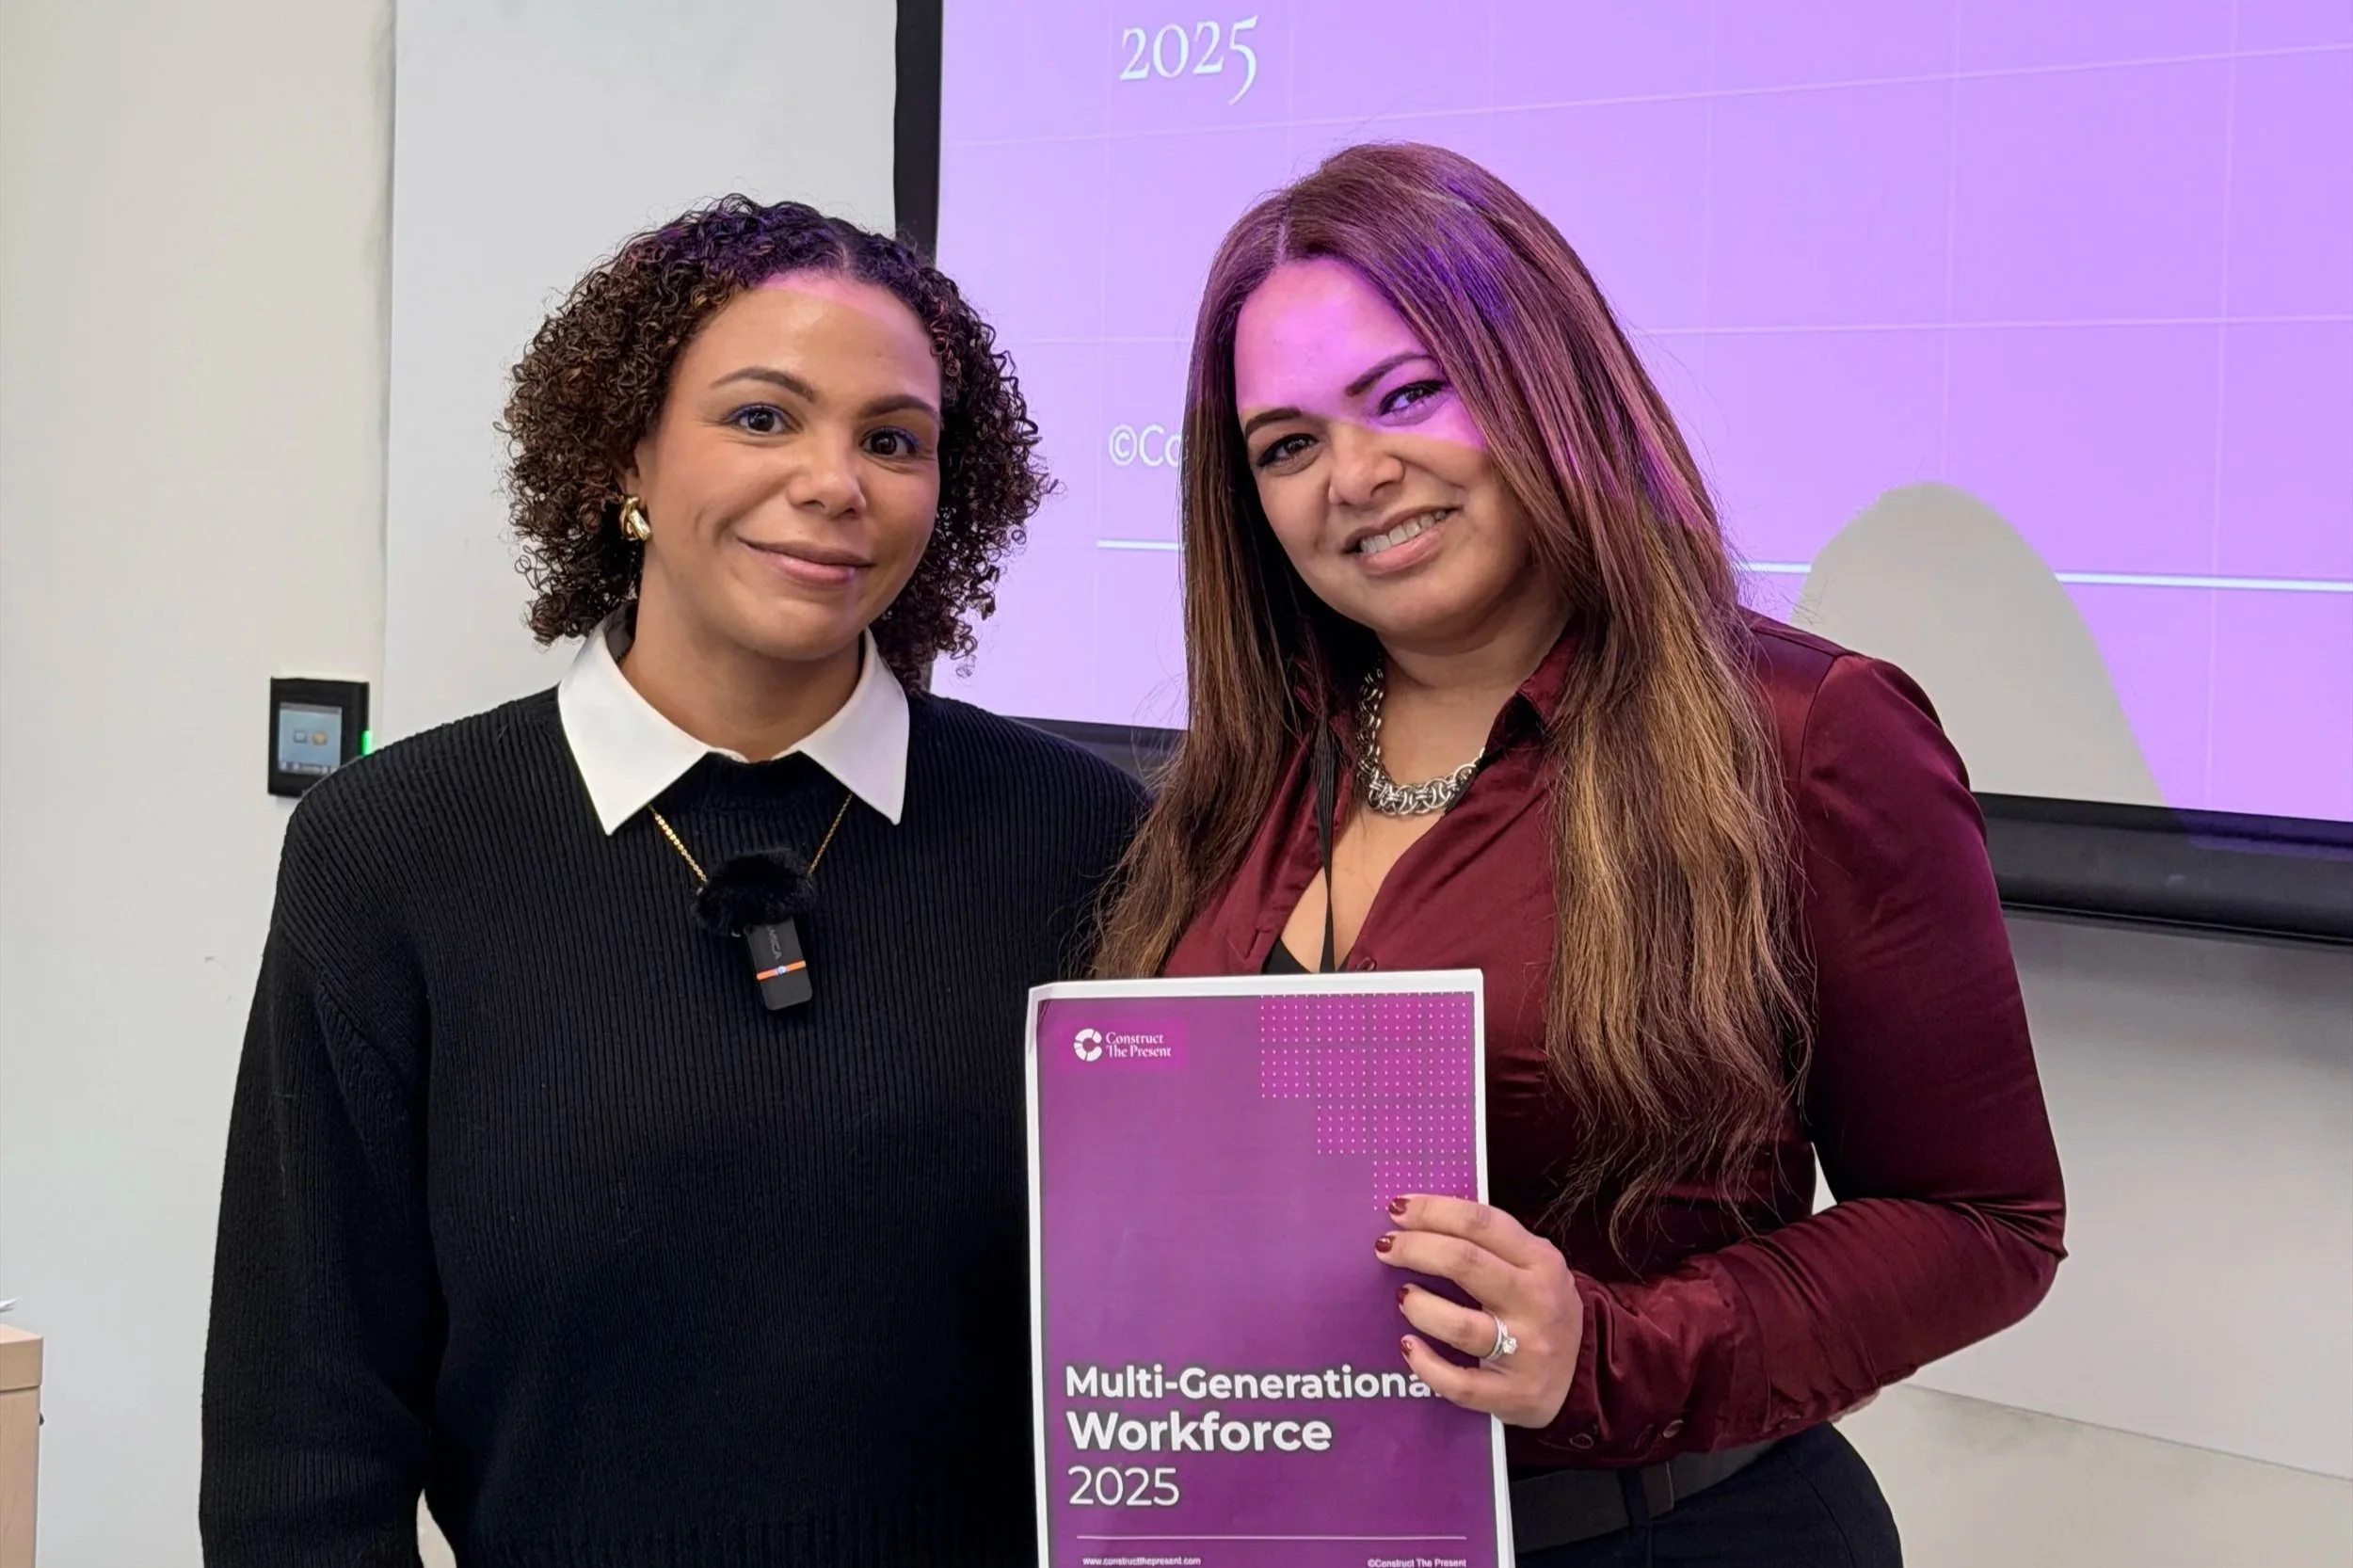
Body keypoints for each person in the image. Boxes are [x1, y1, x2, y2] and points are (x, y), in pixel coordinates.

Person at [1096, 143, 2067, 1565]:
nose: (1356, 476)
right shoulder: (1248, 772)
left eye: (1408, 394)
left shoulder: (1804, 733)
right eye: (1287, 446)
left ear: (1538, 377)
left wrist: (1608, 1352)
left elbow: (1982, 1220)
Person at [201, 197, 1144, 1565]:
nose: (836, 482)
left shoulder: (1083, 834)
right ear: (627, 453)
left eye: (893, 439)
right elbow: (302, 1440)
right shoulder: (394, 848)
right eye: (762, 418)